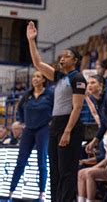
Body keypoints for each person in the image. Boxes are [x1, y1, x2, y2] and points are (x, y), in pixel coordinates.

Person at [27, 21, 86, 202]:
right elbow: (37, 62)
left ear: (75, 60)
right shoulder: (60, 76)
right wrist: (31, 40)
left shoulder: (77, 78)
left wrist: (67, 131)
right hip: (56, 124)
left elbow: (77, 107)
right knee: (55, 170)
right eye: (61, 56)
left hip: (70, 125)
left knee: (67, 171)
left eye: (67, 56)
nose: (62, 58)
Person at [8, 71, 53, 201]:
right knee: (20, 162)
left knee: (42, 162)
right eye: (34, 76)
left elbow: (57, 109)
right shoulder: (27, 95)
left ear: (44, 80)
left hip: (43, 129)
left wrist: (52, 122)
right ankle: (10, 194)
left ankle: (41, 195)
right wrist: (22, 121)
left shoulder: (50, 94)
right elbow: (20, 108)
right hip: (28, 129)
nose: (35, 78)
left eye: (38, 76)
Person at [77, 132, 107, 202]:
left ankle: (90, 200)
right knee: (80, 173)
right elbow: (102, 157)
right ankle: (81, 200)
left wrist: (93, 167)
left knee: (89, 173)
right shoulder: (103, 133)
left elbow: (105, 159)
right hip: (105, 164)